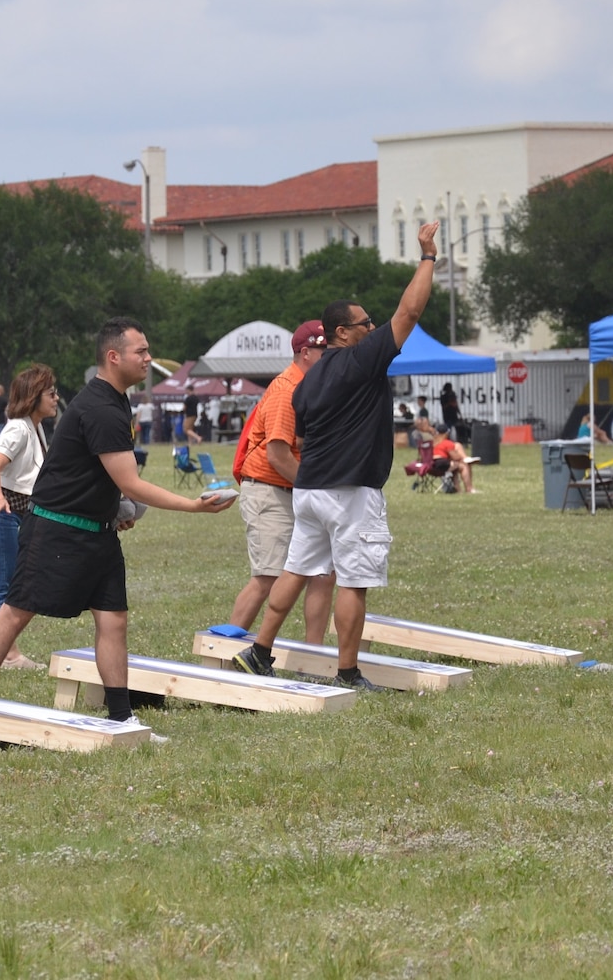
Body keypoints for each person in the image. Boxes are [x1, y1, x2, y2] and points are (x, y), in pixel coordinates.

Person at [0, 318, 236, 729]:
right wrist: (192, 506)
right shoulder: (101, 407)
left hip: (97, 531)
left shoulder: (115, 401)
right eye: (140, 352)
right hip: (57, 528)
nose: (148, 358)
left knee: (113, 619)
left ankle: (122, 717)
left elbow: (103, 477)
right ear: (114, 357)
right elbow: (131, 482)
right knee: (16, 611)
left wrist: (113, 510)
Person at [234, 222, 443, 690]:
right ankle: (348, 671)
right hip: (350, 492)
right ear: (344, 333)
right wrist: (428, 257)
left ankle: (261, 650)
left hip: (309, 491)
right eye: (366, 324)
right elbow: (409, 311)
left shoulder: (308, 383)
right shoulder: (361, 358)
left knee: (295, 569)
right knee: (353, 581)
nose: (374, 328)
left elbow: (304, 441)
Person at [227, 320, 335, 638]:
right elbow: (277, 454)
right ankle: (222, 652)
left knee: (322, 574)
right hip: (270, 491)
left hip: (293, 489)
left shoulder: (311, 387)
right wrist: (313, 488)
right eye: (324, 351)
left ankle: (314, 656)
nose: (330, 357)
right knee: (268, 576)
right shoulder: (287, 390)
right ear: (306, 353)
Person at [0, 364, 58, 670]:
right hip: (0, 512)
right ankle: (9, 655)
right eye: (50, 393)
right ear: (35, 396)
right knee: (5, 586)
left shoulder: (35, 429)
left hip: (11, 513)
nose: (55, 397)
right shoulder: (18, 428)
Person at [430, 423, 477, 494]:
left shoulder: (432, 443)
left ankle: (458, 491)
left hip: (431, 466)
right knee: (464, 466)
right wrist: (462, 458)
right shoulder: (447, 443)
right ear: (446, 433)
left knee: (454, 470)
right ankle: (469, 489)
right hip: (442, 465)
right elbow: (456, 457)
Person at [180, 382, 202, 451]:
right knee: (190, 429)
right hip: (195, 415)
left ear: (189, 390)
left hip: (189, 415)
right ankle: (190, 443)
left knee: (186, 429)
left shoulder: (188, 398)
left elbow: (184, 407)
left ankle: (198, 438)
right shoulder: (196, 397)